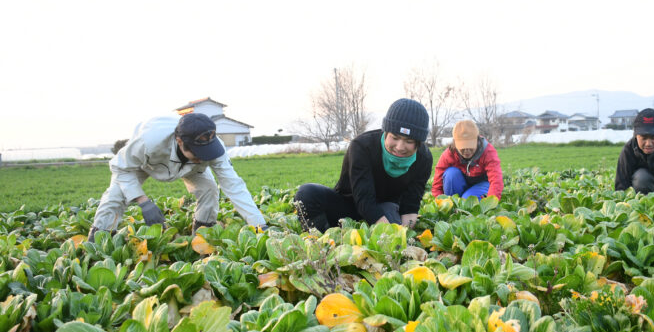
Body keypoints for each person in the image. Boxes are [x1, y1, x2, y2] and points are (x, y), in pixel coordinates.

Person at [88, 113, 267, 240]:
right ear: (180, 142)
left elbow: (234, 186)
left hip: (189, 167)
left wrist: (260, 225)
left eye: (206, 152)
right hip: (145, 163)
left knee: (209, 189)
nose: (203, 156)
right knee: (115, 196)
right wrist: (143, 201)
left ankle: (202, 232)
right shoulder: (148, 142)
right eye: (198, 152)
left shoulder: (213, 148)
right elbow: (120, 168)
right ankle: (99, 239)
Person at [294, 98, 433, 232]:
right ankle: (323, 243)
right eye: (395, 138)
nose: (400, 147)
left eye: (408, 141)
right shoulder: (362, 146)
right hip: (350, 206)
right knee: (307, 193)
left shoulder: (424, 158)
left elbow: (410, 205)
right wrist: (387, 231)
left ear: (418, 142)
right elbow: (364, 199)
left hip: (386, 210)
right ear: (386, 133)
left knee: (391, 222)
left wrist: (402, 234)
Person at [431, 119, 504, 200]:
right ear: (455, 143)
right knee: (450, 174)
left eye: (470, 147)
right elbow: (437, 184)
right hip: (461, 183)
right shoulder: (449, 154)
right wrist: (440, 201)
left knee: (467, 200)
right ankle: (452, 205)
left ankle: (464, 200)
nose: (467, 151)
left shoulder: (488, 151)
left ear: (477, 140)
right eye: (462, 147)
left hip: (481, 184)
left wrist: (491, 202)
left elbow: (496, 180)